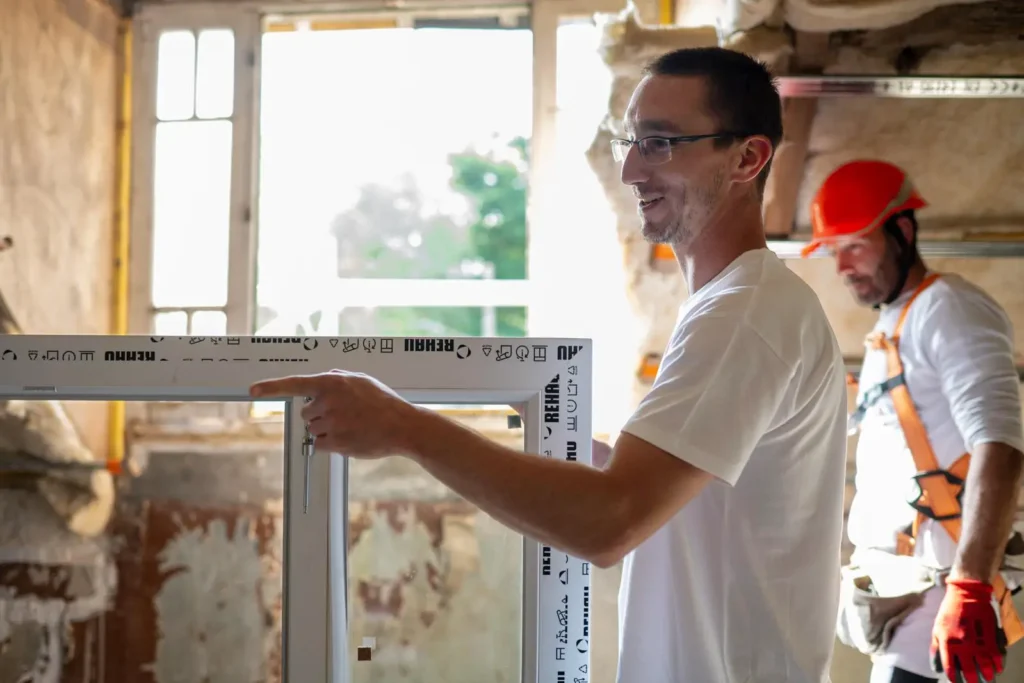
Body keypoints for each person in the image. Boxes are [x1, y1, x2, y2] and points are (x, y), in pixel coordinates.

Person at [251, 47, 850, 682]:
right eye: (631, 142)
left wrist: (404, 428)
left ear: (747, 158)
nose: (631, 170)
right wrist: (547, 419)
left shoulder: (744, 314)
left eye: (660, 144)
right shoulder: (737, 306)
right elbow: (672, 497)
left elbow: (610, 522)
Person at [804, 159, 1024, 683]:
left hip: (943, 607)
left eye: (855, 245)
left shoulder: (949, 309)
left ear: (902, 230)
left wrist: (969, 588)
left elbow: (1000, 447)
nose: (842, 266)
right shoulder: (897, 322)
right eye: (834, 250)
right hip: (909, 605)